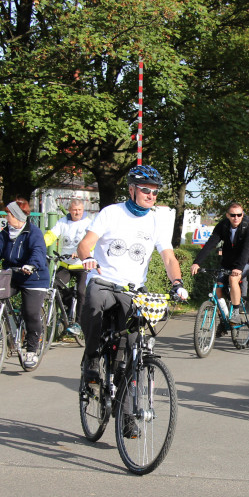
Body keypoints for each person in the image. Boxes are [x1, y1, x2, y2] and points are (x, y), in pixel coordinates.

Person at [77, 164, 188, 386]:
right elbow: (85, 244)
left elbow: (168, 258)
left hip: (133, 289)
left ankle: (126, 397)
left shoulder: (156, 221)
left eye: (155, 191)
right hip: (104, 281)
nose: (151, 195)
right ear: (131, 190)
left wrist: (177, 282)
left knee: (132, 343)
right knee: (94, 303)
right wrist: (87, 257)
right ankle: (91, 357)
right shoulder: (111, 213)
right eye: (145, 190)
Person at [0, 200, 49, 368]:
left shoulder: (33, 233)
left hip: (33, 277)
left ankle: (31, 351)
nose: (6, 218)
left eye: (8, 214)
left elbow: (38, 251)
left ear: (17, 216)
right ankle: (6, 334)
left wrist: (31, 265)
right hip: (13, 274)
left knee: (30, 312)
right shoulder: (6, 232)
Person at [190, 202, 249, 321]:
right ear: (227, 215)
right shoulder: (223, 226)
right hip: (227, 262)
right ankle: (223, 319)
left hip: (245, 262)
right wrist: (197, 262)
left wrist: (239, 268)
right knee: (218, 287)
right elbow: (210, 244)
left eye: (239, 215)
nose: (236, 218)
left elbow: (246, 249)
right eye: (232, 215)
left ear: (242, 215)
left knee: (233, 279)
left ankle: (236, 313)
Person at [44, 197, 94, 318]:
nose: (77, 212)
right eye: (75, 210)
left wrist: (81, 251)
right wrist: (40, 245)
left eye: (80, 210)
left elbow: (92, 242)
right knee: (55, 287)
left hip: (82, 265)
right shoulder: (62, 222)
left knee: (82, 292)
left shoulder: (88, 223)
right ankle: (69, 302)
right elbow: (51, 235)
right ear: (69, 210)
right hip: (66, 264)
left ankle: (79, 322)